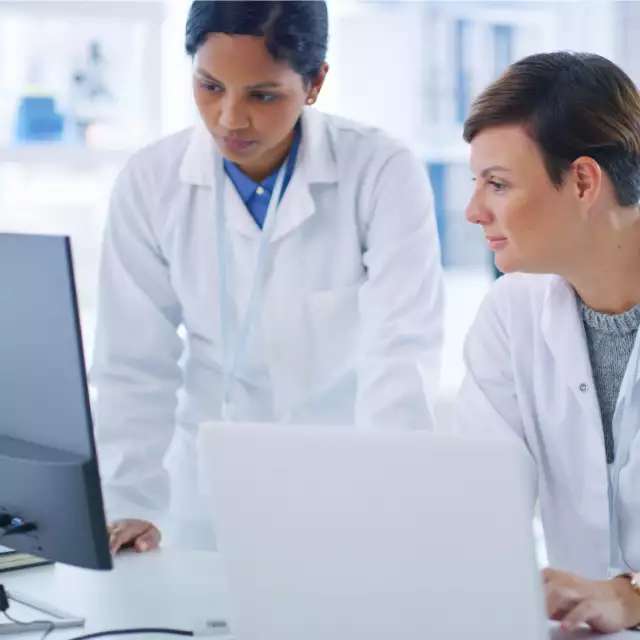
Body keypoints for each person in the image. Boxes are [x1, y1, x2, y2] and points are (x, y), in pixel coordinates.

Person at [93, 0, 444, 556]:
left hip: (346, 488)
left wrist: (392, 496)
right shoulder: (150, 181)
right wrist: (128, 502)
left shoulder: (380, 171)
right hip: (203, 495)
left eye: (262, 95)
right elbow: (133, 365)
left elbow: (400, 354)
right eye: (210, 87)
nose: (230, 119)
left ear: (315, 83)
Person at [458, 51, 640, 634]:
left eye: (498, 184)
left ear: (583, 180)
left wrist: (632, 600)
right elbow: (479, 512)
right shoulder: (511, 315)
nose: (473, 210)